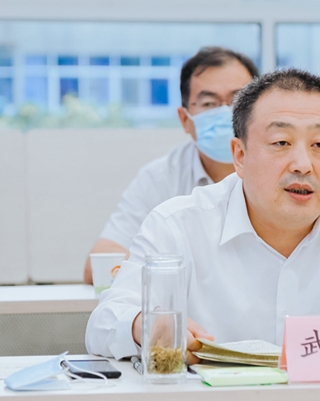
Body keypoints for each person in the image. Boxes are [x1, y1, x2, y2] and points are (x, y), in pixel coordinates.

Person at [86, 69, 320, 362]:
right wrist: (144, 325)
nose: (303, 163)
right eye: (281, 142)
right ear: (239, 156)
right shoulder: (179, 225)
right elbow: (105, 323)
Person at [83, 47, 259, 284]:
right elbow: (100, 264)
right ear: (185, 119)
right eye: (209, 103)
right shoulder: (161, 177)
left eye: (237, 101)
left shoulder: (282, 170)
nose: (225, 112)